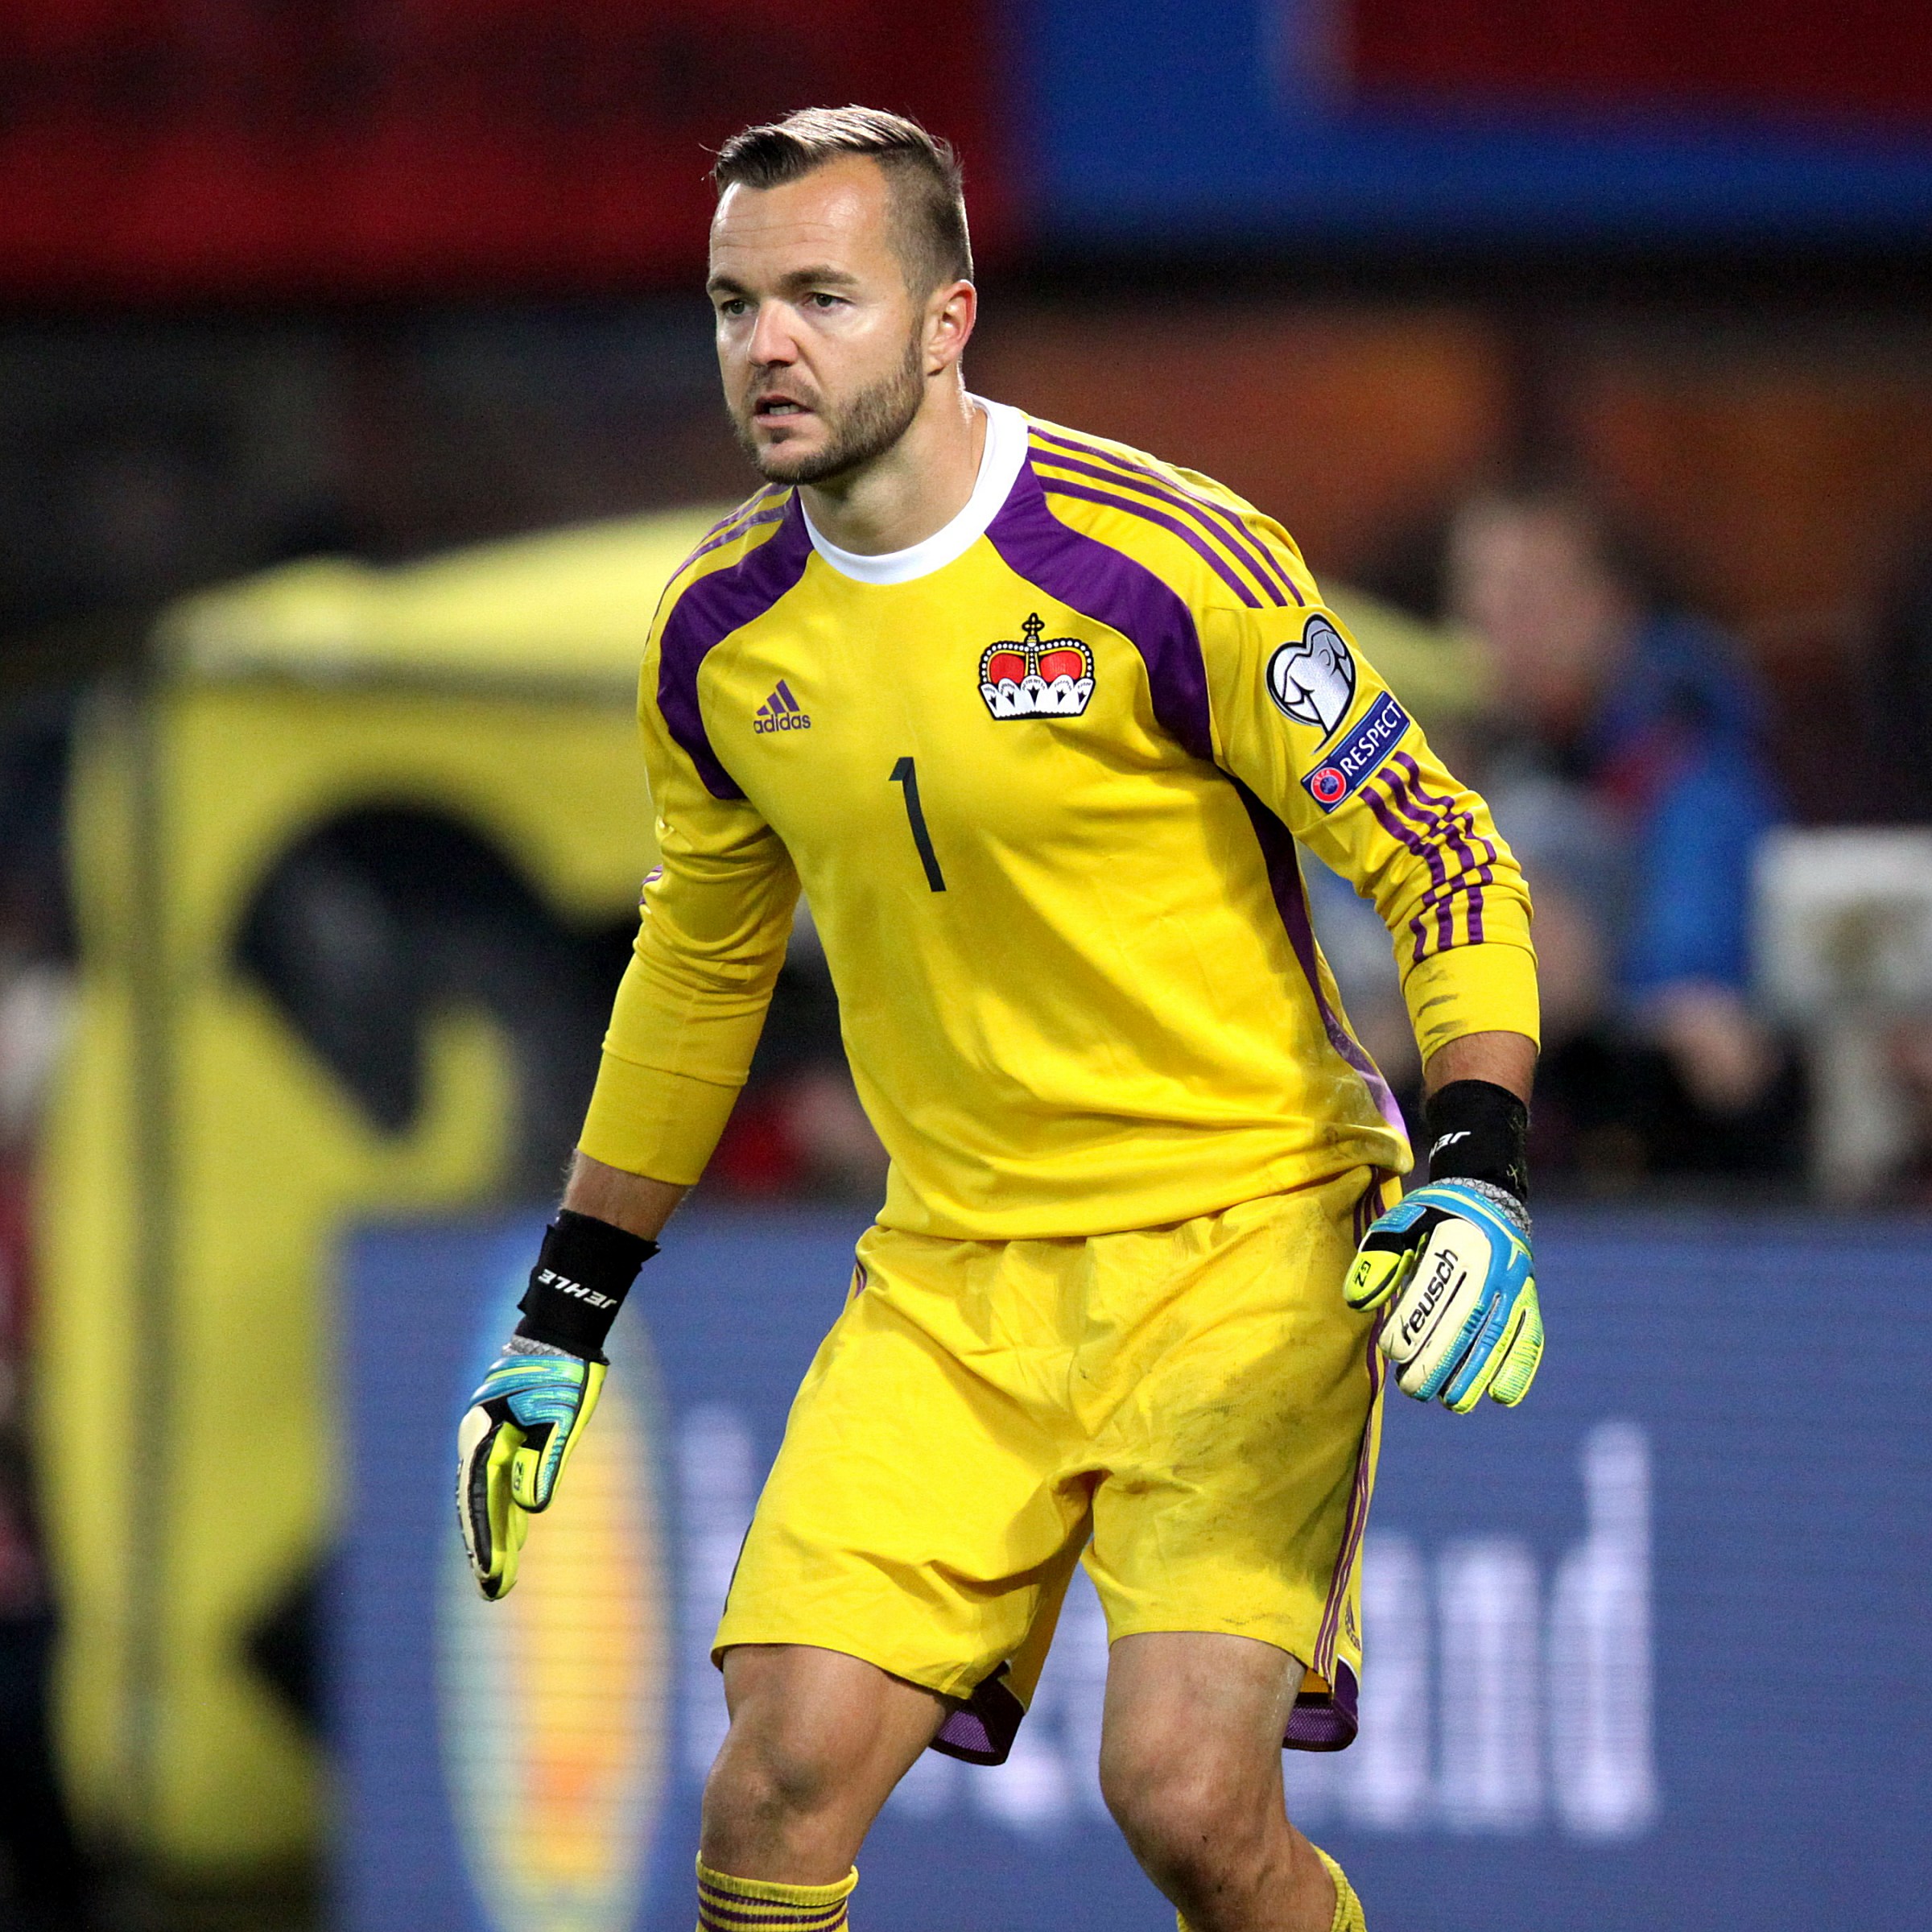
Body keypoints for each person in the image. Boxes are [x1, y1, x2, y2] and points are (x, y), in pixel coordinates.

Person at [455, 108, 1542, 1932]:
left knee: (1185, 1798)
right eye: (732, 305)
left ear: (947, 316)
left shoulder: (1166, 562)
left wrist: (1475, 1166)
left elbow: (1441, 855)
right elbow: (698, 976)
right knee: (773, 1780)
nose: (765, 346)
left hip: (1247, 1238)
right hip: (953, 1275)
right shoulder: (719, 636)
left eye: (818, 293)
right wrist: (563, 1312)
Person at [1445, 487, 1791, 1175]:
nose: (1497, 626)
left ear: (1611, 606)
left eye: (1530, 595)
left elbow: (1696, 990)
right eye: (1478, 595)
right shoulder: (1448, 753)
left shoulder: (1690, 762)